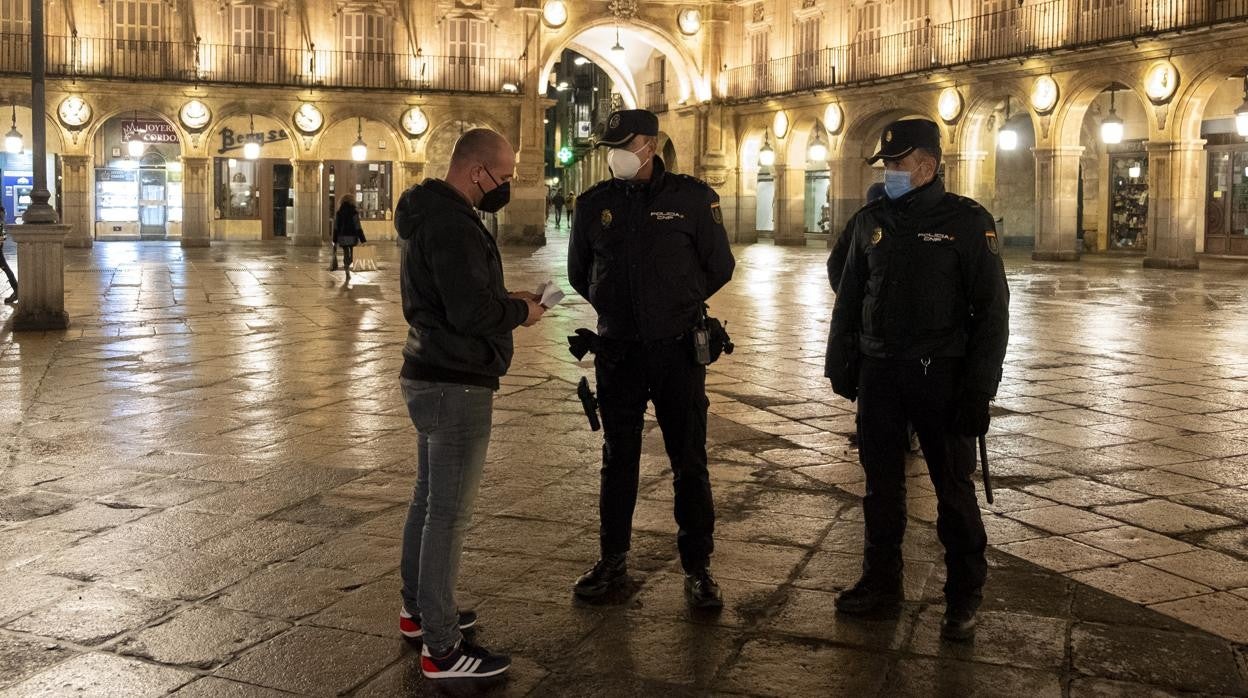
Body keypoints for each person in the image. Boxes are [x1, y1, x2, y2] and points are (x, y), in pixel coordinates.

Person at [825, 118, 1009, 642]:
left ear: (926, 166)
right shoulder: (870, 220)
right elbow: (848, 290)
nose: (889, 172)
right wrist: (841, 358)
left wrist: (979, 390)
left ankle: (963, 595)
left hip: (941, 376)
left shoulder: (968, 223)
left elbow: (992, 313)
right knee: (880, 488)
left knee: (952, 489)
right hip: (880, 373)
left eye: (897, 163)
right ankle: (881, 585)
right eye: (886, 163)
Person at [393, 128, 546, 680]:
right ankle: (443, 648)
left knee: (427, 501)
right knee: (447, 517)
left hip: (428, 369)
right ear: (476, 170)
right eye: (502, 177)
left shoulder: (427, 214)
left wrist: (506, 299)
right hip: (455, 379)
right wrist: (518, 315)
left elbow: (454, 295)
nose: (503, 186)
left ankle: (418, 611)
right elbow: (467, 313)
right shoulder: (453, 225)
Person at [568, 109, 736, 609]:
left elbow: (719, 266)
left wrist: (674, 304)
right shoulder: (593, 204)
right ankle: (613, 561)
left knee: (689, 461)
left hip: (677, 351)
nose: (618, 153)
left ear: (652, 143)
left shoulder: (691, 199)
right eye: (612, 145)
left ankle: (698, 569)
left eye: (627, 143)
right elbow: (581, 273)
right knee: (618, 459)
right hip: (618, 352)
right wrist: (620, 310)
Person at [332, 195, 366, 280]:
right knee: (353, 254)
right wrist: (363, 239)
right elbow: (358, 226)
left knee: (345, 253)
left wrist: (334, 240)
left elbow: (336, 227)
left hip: (342, 237)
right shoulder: (354, 212)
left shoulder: (339, 212)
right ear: (352, 201)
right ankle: (348, 263)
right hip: (352, 236)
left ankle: (346, 268)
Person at [0, 203, 17, 304]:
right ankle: (17, 290)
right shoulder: (1, 222)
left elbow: (2, 237)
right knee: (7, 270)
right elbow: (3, 237)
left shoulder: (0, 223)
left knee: (7, 270)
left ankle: (17, 290)